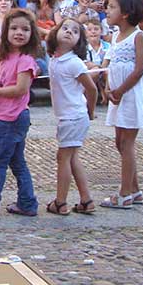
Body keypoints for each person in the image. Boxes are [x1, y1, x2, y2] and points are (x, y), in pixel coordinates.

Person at [0, 9, 43, 217]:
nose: (19, 33)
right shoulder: (7, 57)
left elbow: (20, 89)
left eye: (25, 29)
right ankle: (27, 202)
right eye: (14, 28)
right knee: (16, 161)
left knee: (0, 161)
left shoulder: (25, 59)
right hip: (5, 115)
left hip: (13, 117)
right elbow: (3, 82)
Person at [100, 0, 143, 209]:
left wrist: (120, 90)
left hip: (131, 93)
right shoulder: (116, 35)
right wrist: (108, 87)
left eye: (112, 7)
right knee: (119, 141)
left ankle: (124, 193)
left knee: (127, 143)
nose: (107, 11)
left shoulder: (138, 36)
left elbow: (138, 70)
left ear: (125, 14)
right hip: (118, 93)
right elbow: (112, 64)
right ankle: (135, 189)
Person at [46, 19, 97, 216]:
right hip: (68, 116)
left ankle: (60, 201)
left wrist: (90, 111)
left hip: (73, 116)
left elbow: (91, 89)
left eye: (75, 31)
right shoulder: (56, 58)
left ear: (79, 40)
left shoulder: (74, 62)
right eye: (65, 28)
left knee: (63, 158)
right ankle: (86, 199)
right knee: (73, 157)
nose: (69, 32)